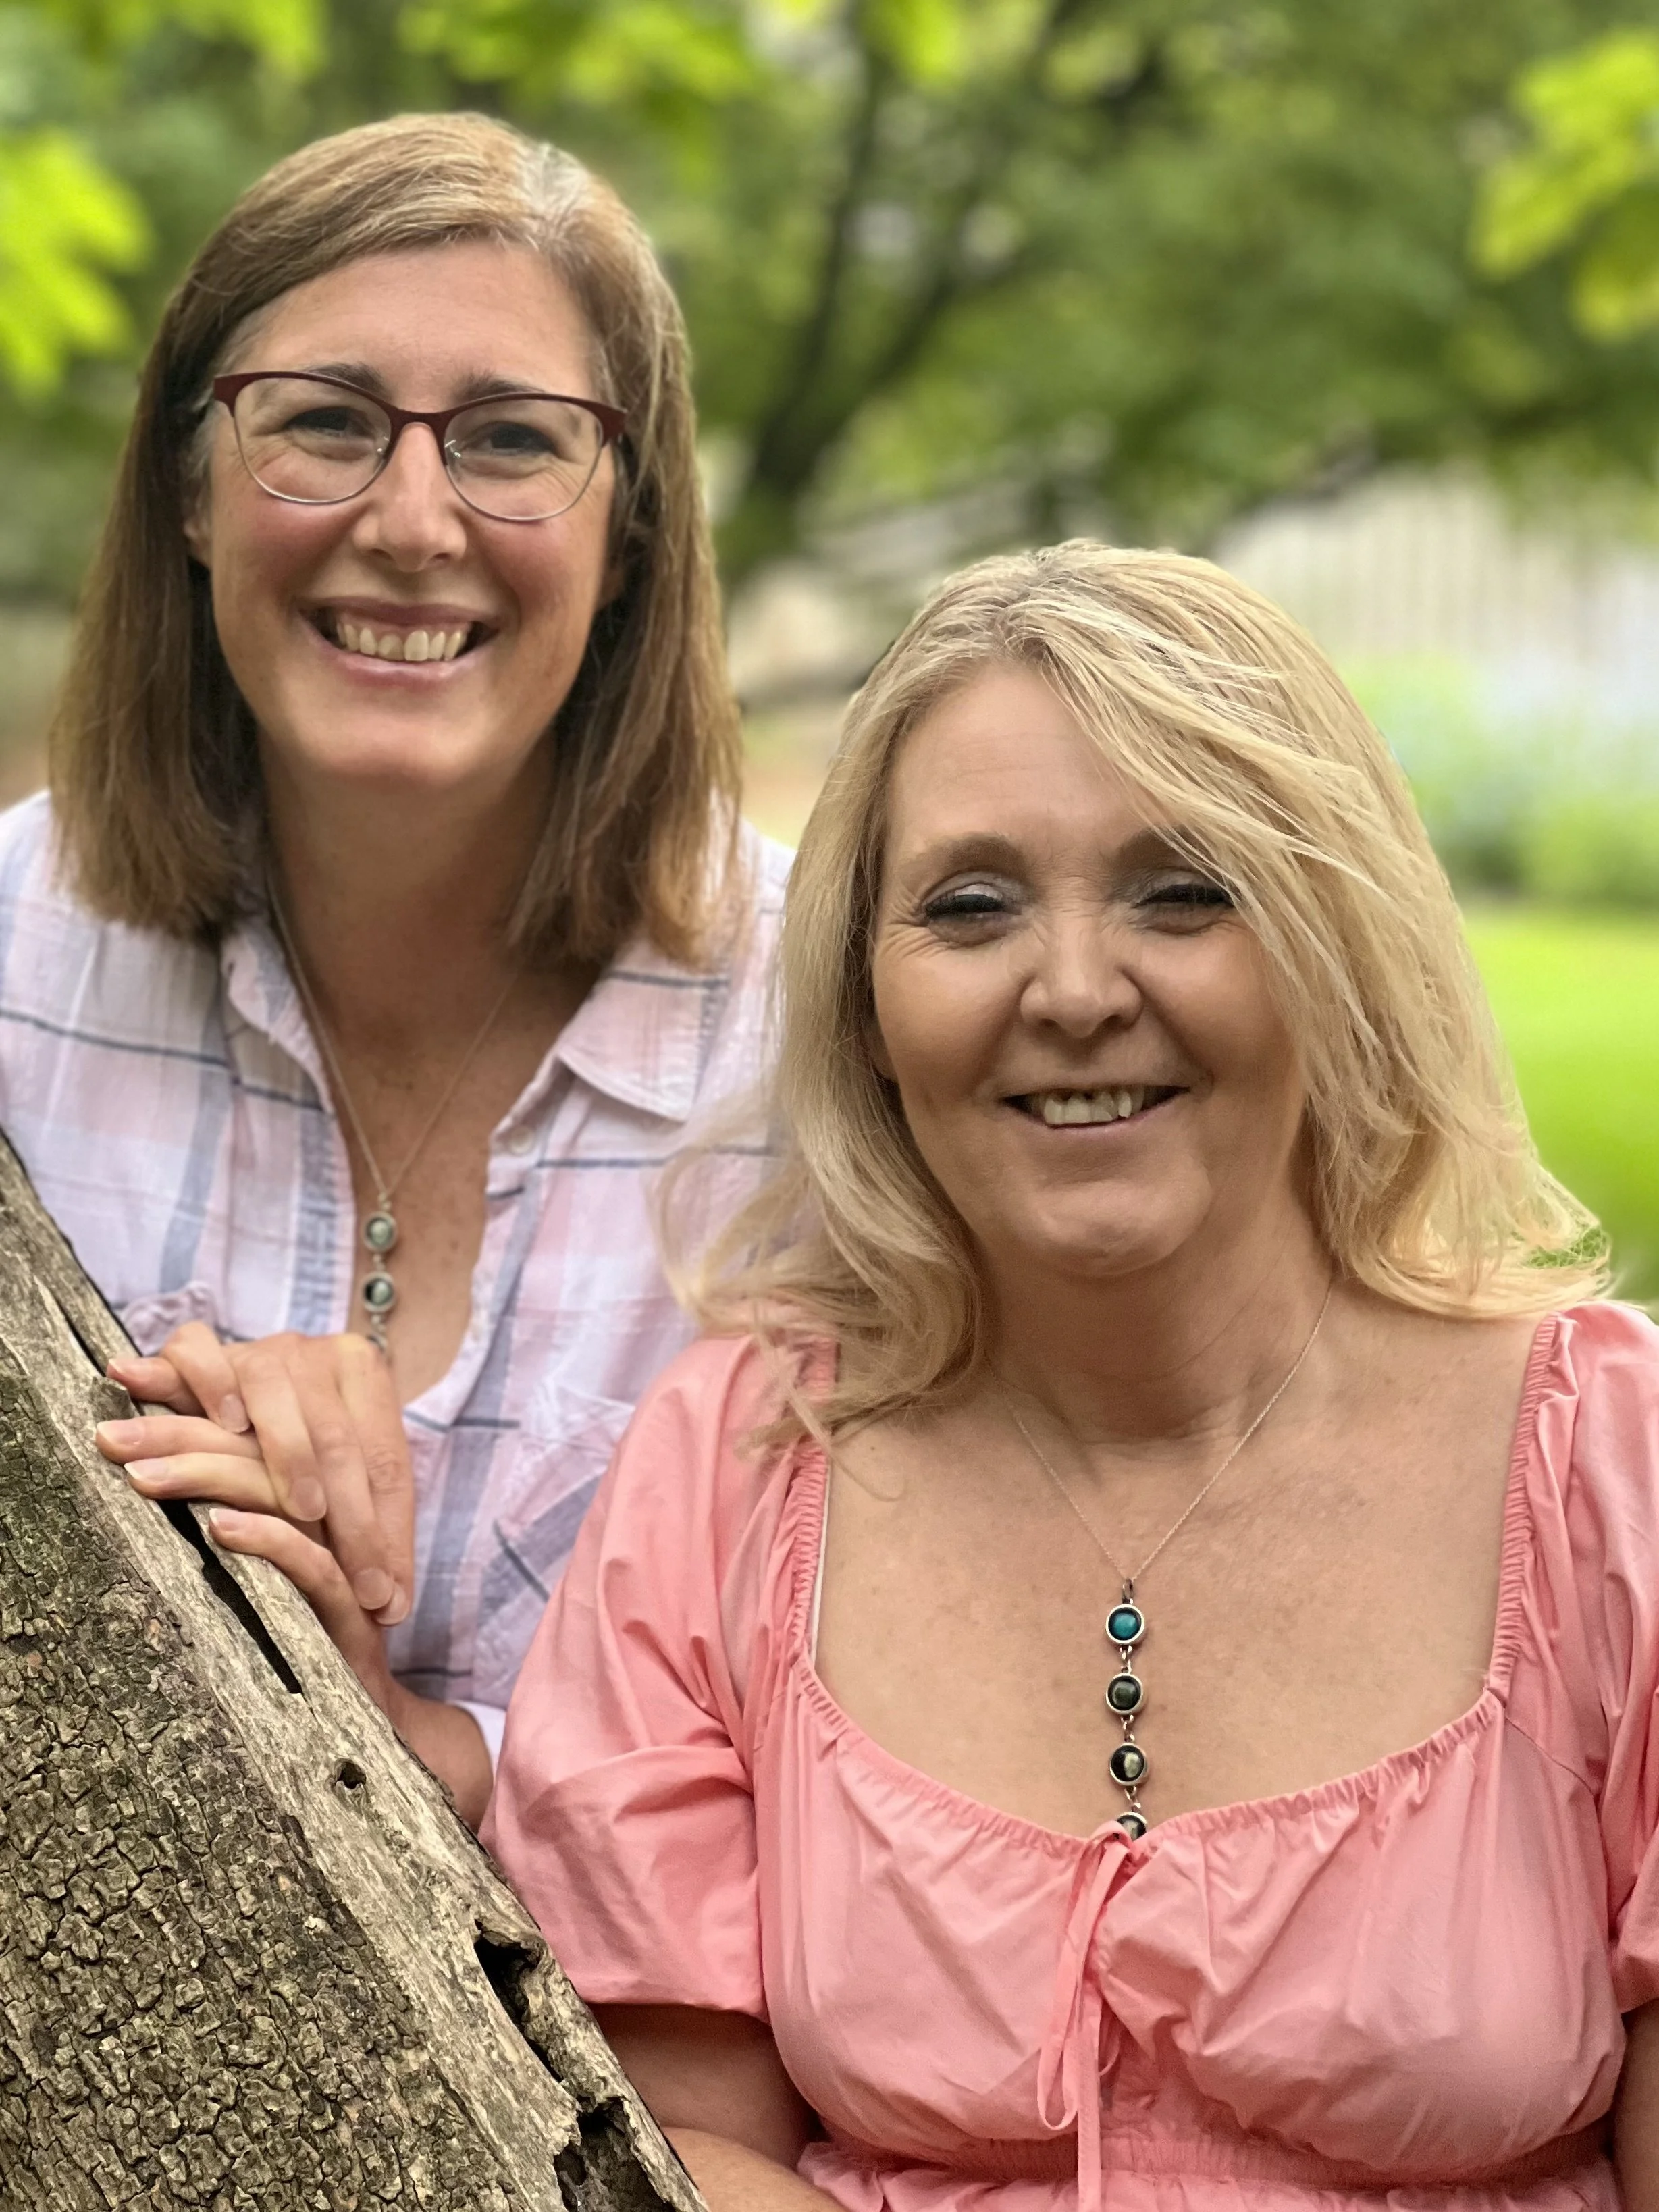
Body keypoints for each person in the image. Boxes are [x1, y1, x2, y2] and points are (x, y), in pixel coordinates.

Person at [485, 544, 1659, 2210]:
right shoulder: (734, 1468)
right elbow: (686, 2150)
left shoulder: (1619, 1468)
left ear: (1334, 935)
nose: (1078, 991)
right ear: (868, 1004)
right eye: (969, 906)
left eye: (1183, 891)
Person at [0, 113, 787, 1828]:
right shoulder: (7, 967)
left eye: (512, 440)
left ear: (630, 529)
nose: (412, 521)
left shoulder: (831, 1049)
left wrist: (432, 1743)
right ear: (191, 493)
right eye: (325, 426)